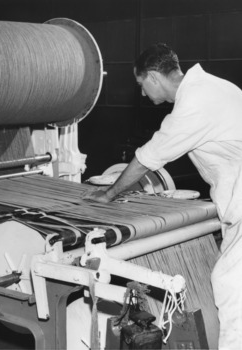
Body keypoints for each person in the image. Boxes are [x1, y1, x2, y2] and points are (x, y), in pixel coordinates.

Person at [83, 42, 242, 349]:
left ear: (154, 77)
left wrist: (110, 193)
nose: (142, 94)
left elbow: (150, 156)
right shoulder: (214, 87)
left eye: (142, 85)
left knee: (229, 287)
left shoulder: (193, 103)